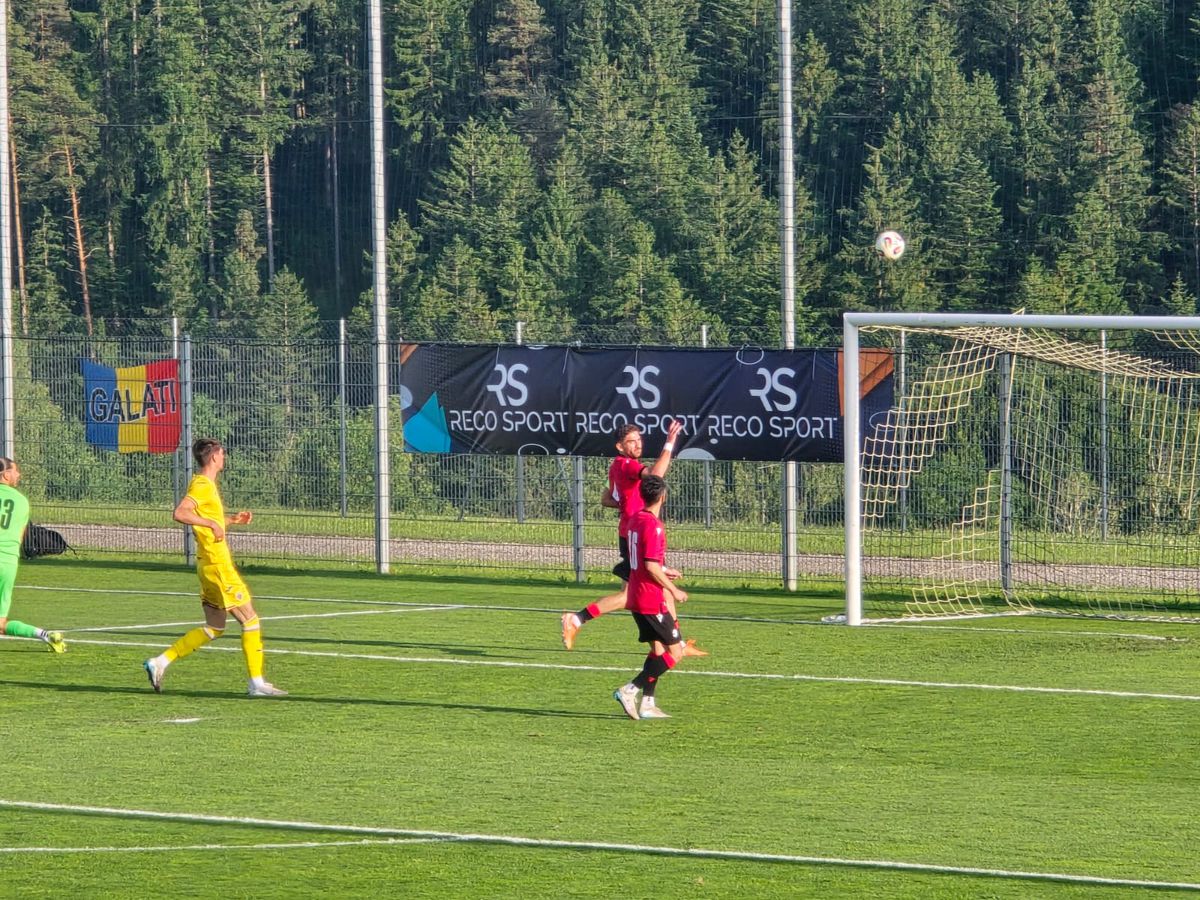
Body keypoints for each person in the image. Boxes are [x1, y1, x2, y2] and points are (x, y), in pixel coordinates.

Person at [143, 438, 286, 697]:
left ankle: (160, 662)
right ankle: (257, 684)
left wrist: (228, 520)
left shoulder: (205, 485)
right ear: (214, 458)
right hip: (218, 566)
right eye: (223, 453)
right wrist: (212, 525)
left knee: (215, 627)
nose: (225, 457)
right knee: (250, 619)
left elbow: (206, 519)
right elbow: (180, 513)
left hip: (206, 566)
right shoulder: (202, 485)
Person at [561, 420, 705, 656]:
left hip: (634, 532)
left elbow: (606, 498)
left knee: (654, 592)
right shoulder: (626, 464)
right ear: (620, 446)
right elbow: (656, 476)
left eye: (639, 439)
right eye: (631, 441)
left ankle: (672, 644)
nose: (638, 444)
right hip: (636, 535)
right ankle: (576, 619)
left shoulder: (619, 466)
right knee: (632, 595)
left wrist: (627, 503)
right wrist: (669, 443)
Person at [612, 475, 690, 720]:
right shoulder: (655, 526)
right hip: (650, 598)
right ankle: (629, 689)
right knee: (675, 653)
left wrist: (665, 569)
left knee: (657, 650)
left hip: (636, 594)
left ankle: (647, 703)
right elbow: (652, 566)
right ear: (663, 496)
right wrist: (674, 590)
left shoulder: (635, 519)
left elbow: (644, 560)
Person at [0, 458, 66, 654]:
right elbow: (19, 537)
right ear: (5, 475)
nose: (19, 475)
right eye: (16, 471)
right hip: (8, 563)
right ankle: (46, 635)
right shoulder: (21, 501)